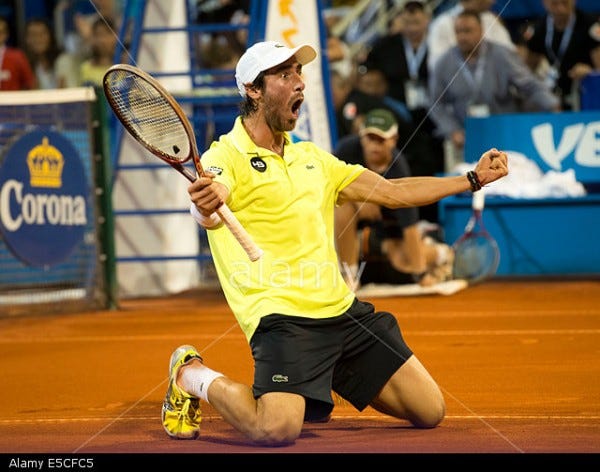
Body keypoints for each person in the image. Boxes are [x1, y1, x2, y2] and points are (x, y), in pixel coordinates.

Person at [161, 40, 508, 446]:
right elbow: (210, 203)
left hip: (341, 313)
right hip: (282, 318)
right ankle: (190, 375)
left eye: (300, 73)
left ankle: (325, 375)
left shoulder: (315, 159)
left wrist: (471, 179)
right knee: (275, 429)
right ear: (253, 90)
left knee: (430, 410)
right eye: (285, 75)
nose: (300, 83)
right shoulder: (227, 154)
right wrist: (206, 206)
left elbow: (393, 191)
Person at [334, 108, 453, 290]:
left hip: (389, 226)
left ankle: (439, 253)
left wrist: (420, 273)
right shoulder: (346, 150)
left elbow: (409, 227)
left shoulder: (399, 168)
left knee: (402, 259)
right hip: (350, 222)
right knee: (341, 206)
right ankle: (349, 278)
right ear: (361, 137)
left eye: (381, 140)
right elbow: (327, 188)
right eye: (370, 138)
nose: (375, 145)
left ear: (393, 141)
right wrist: (360, 200)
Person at [428, 9, 560, 170]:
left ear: (481, 31)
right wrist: (452, 130)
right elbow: (436, 104)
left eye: (468, 31)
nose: (462, 37)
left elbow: (528, 84)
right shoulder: (443, 63)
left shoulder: (502, 54)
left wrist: (552, 104)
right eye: (458, 32)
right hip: (466, 135)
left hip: (504, 130)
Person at [522, 0, 600, 110]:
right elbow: (527, 71)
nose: (560, 9)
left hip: (586, 93)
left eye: (564, 3)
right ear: (545, 3)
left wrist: (590, 72)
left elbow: (599, 69)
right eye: (554, 3)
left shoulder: (589, 25)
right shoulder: (538, 29)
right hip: (555, 95)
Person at [427, 0, 515, 72]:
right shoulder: (441, 24)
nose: (492, 2)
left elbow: (511, 56)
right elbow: (435, 65)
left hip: (494, 86)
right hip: (455, 88)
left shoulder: (491, 19)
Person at [0, 15, 36, 90]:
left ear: (6, 34)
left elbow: (30, 83)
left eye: (0, 32)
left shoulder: (17, 56)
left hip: (12, 100)